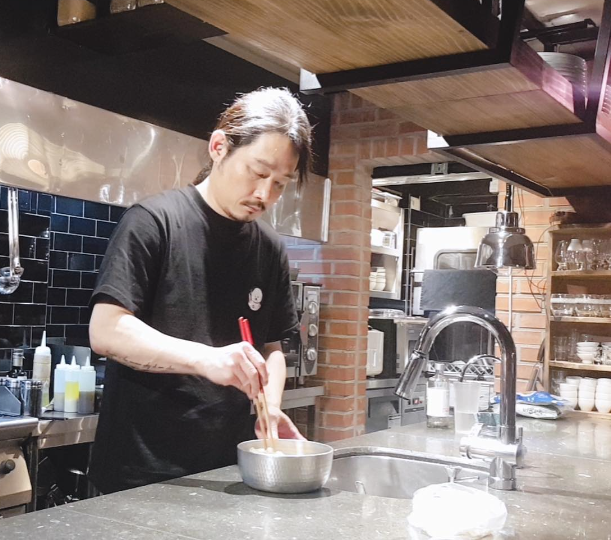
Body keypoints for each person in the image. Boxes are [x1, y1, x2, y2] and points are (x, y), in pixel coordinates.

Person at [88, 87, 312, 494]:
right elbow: (106, 330)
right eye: (258, 172)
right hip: (140, 473)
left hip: (230, 470)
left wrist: (270, 408)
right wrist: (208, 359)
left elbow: (271, 348)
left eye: (280, 183)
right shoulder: (153, 222)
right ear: (218, 147)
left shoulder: (269, 247)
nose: (265, 195)